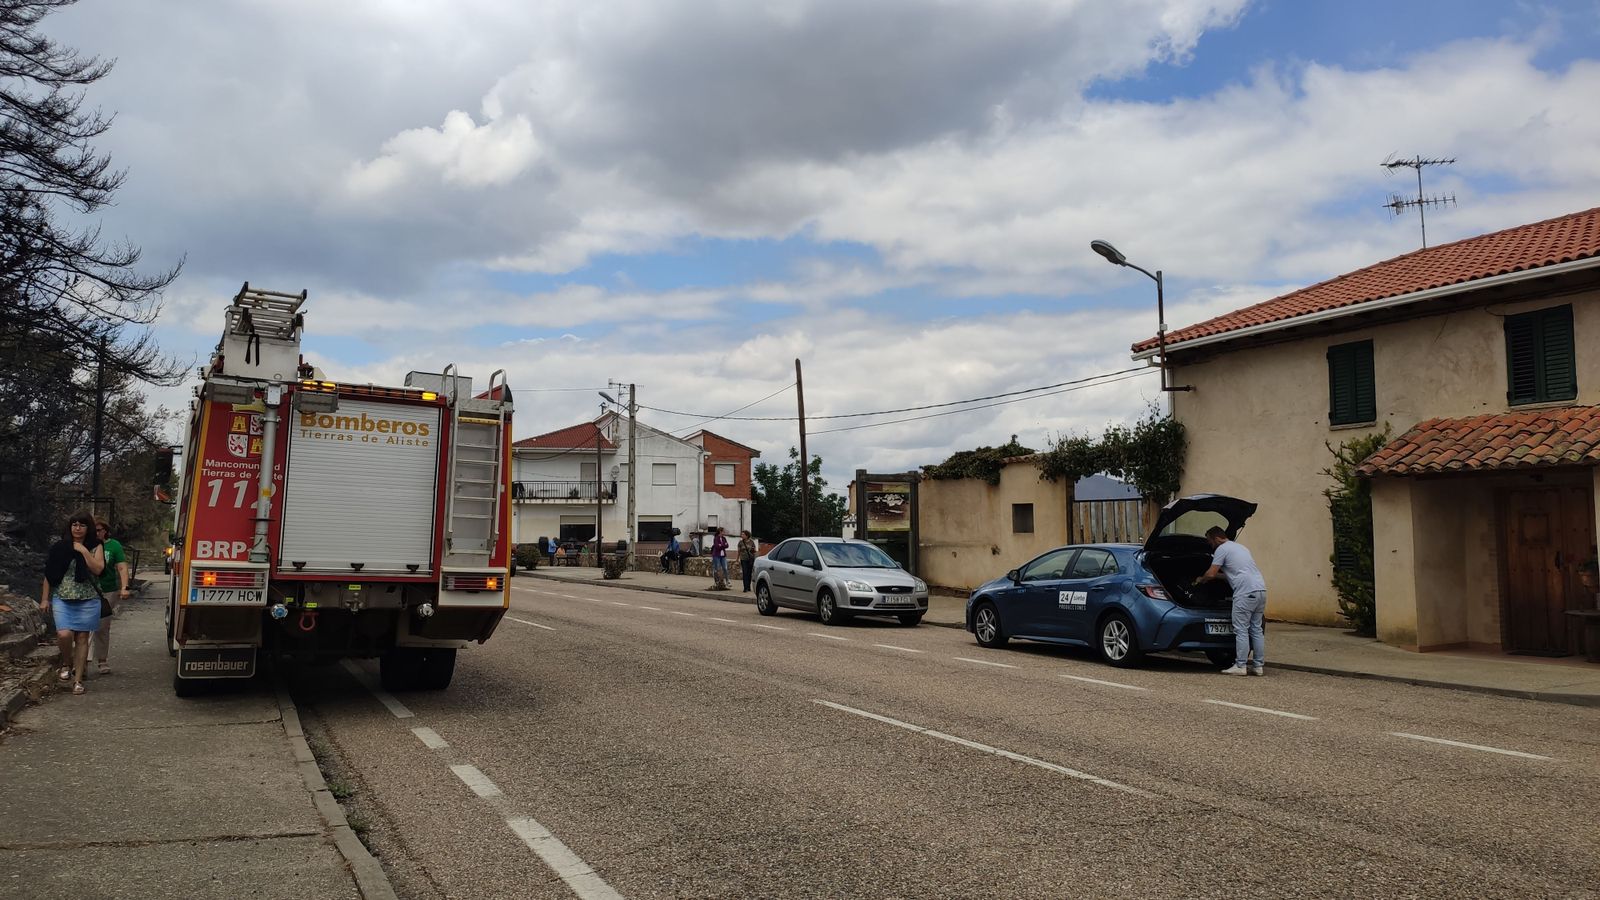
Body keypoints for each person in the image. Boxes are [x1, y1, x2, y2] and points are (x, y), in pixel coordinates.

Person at [40, 512, 105, 695]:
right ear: (70, 527)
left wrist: (83, 551)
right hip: (63, 597)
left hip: (88, 599)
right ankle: (66, 663)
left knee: (82, 638)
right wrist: (45, 598)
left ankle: (78, 680)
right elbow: (49, 575)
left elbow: (98, 569)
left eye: (82, 525)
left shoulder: (95, 546)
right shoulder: (59, 547)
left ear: (88, 528)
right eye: (74, 524)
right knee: (64, 634)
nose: (77, 528)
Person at [1195, 525, 1267, 676]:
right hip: (1260, 589)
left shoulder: (1221, 549)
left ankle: (1240, 665)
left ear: (1216, 538)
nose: (1210, 545)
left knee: (1241, 629)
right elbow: (1231, 574)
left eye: (1210, 542)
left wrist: (1201, 580)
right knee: (1256, 629)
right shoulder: (1241, 548)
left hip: (1245, 592)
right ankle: (1258, 666)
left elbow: (1212, 573)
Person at [92, 518, 130, 676]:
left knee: (102, 625)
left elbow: (121, 567)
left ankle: (102, 660)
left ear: (105, 531)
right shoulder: (86, 544)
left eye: (99, 529)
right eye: (94, 530)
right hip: (87, 590)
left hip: (107, 591)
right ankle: (81, 662)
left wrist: (124, 587)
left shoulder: (113, 546)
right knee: (84, 627)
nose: (97, 533)